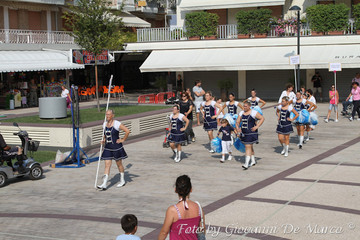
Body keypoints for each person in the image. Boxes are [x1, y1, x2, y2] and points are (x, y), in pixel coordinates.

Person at [158, 175, 204, 240]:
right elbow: (202, 229)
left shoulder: (172, 210)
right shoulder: (198, 207)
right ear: (191, 189)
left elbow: (164, 233)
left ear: (176, 190)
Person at [97, 110, 130, 190]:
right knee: (107, 165)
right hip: (108, 147)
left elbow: (127, 131)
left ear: (112, 115)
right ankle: (104, 184)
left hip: (116, 148)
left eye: (109, 114)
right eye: (106, 114)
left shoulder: (116, 123)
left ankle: (122, 180)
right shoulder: (104, 124)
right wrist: (103, 140)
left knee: (119, 164)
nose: (107, 116)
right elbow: (105, 134)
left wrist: (122, 140)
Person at [236, 101, 265, 170]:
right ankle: (253, 161)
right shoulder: (241, 113)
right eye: (244, 106)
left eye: (245, 106)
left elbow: (262, 118)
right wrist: (237, 128)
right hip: (244, 132)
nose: (244, 107)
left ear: (249, 106)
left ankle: (246, 163)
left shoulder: (253, 112)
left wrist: (257, 126)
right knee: (250, 146)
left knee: (247, 146)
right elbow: (237, 121)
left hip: (251, 132)